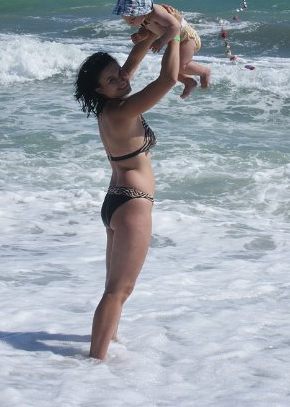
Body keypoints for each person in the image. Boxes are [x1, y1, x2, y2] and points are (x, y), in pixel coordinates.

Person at [74, 30, 180, 360]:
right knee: (118, 290)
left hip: (117, 202)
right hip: (132, 204)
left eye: (119, 72)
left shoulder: (110, 106)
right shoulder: (122, 111)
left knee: (116, 288)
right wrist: (175, 35)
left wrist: (152, 35)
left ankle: (109, 342)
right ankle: (95, 362)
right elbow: (168, 79)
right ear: (99, 89)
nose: (122, 78)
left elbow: (132, 61)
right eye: (112, 79)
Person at [113, 0, 211, 98]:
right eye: (125, 17)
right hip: (175, 39)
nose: (130, 22)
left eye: (132, 17)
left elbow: (175, 26)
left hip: (187, 38)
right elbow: (147, 29)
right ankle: (188, 81)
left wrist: (161, 41)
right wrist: (141, 35)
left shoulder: (156, 13)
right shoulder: (142, 17)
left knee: (180, 66)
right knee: (169, 67)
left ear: (143, 11)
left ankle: (204, 72)